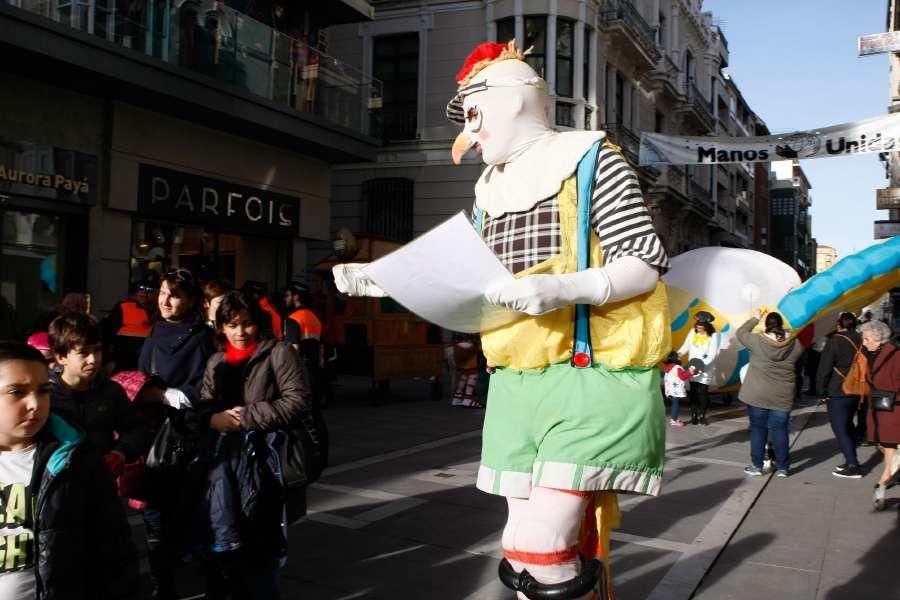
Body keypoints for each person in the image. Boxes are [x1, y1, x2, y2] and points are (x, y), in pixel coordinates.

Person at [334, 41, 671, 598]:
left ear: (514, 101)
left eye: (472, 114)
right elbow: (465, 271)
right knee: (521, 549)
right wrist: (385, 277)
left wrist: (563, 288)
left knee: (542, 543)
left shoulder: (593, 158)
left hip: (591, 372)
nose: (465, 136)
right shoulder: (488, 190)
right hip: (515, 378)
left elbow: (644, 262)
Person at [195, 290, 319, 598]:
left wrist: (246, 416)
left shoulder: (278, 353)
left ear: (257, 323)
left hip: (265, 462)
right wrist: (213, 419)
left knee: (260, 547)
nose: (240, 332)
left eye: (247, 323)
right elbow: (205, 404)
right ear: (221, 327)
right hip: (222, 464)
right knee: (222, 544)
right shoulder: (216, 361)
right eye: (232, 324)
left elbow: (298, 401)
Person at [0, 341, 141, 599]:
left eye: (43, 391)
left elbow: (114, 554)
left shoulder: (77, 462)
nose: (35, 403)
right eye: (17, 392)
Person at [137, 268, 215, 600]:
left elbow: (205, 390)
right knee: (154, 510)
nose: (166, 300)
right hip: (152, 434)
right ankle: (162, 582)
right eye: (162, 293)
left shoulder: (201, 338)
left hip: (184, 438)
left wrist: (167, 395)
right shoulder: (155, 331)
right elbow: (141, 374)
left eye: (175, 294)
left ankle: (200, 570)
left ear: (192, 300)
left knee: (184, 508)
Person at [48, 312, 152, 477]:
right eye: (83, 353)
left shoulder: (110, 391)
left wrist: (121, 452)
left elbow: (137, 429)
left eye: (97, 350)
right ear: (61, 357)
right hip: (55, 487)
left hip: (100, 485)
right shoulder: (45, 395)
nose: (93, 359)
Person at [736, 310, 805, 478]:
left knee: (758, 430)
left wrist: (755, 317)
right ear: (781, 325)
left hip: (757, 393)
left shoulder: (756, 341)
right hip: (782, 395)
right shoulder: (795, 345)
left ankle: (757, 466)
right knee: (780, 430)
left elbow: (741, 332)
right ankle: (783, 467)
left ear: (766, 325)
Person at [816, 312, 864, 479]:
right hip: (857, 387)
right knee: (848, 424)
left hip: (838, 389)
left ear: (839, 324)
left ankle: (853, 465)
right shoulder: (861, 339)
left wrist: (821, 390)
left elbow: (824, 369)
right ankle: (849, 460)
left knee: (840, 428)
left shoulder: (835, 341)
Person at [861, 320, 900, 510]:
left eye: (867, 338)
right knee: (888, 449)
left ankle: (883, 484)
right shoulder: (874, 354)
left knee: (891, 450)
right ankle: (884, 484)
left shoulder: (895, 355)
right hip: (883, 412)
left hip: (893, 412)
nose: (864, 342)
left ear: (878, 338)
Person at [677, 311, 721, 425]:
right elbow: (685, 346)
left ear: (707, 326)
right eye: (697, 326)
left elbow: (712, 354)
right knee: (693, 391)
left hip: (705, 368)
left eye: (701, 327)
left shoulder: (714, 336)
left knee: (703, 392)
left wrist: (700, 366)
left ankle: (702, 414)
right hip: (692, 367)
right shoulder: (692, 332)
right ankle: (694, 414)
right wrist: (675, 357)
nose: (699, 329)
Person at [103, 282, 153, 372]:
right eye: (141, 289)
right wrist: (109, 359)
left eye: (149, 290)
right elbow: (108, 330)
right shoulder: (123, 306)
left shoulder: (156, 311)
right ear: (133, 294)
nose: (145, 293)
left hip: (143, 357)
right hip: (124, 354)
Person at [662, 351, 695, 427]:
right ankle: (673, 420)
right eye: (678, 356)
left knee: (674, 404)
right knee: (675, 405)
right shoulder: (677, 367)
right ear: (675, 358)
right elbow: (683, 377)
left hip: (670, 389)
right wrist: (690, 372)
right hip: (675, 390)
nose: (679, 357)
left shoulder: (669, 367)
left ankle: (674, 419)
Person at [450, 333, 483, 408]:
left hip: (461, 363)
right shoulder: (474, 344)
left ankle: (457, 397)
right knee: (472, 376)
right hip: (471, 363)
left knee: (463, 378)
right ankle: (467, 398)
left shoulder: (456, 344)